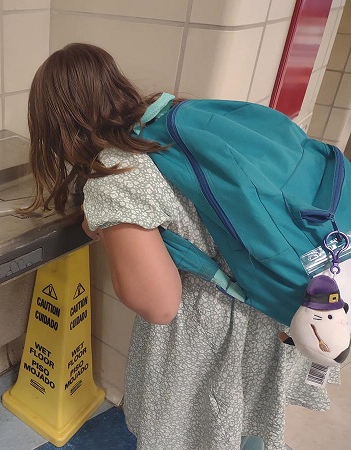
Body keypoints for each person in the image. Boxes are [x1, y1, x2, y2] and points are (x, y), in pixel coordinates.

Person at [23, 43, 333, 450]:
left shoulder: (115, 175)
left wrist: (116, 239)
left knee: (202, 434)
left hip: (207, 338)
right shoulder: (171, 122)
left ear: (59, 125)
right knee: (247, 432)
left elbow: (159, 304)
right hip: (271, 309)